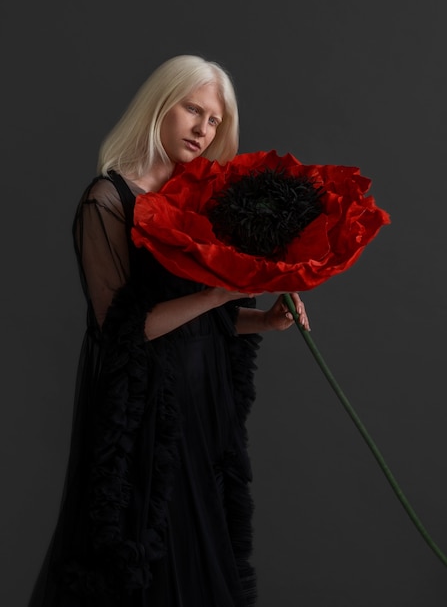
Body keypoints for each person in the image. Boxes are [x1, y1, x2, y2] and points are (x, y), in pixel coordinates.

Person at [28, 54, 309, 607]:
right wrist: (222, 292)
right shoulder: (108, 200)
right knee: (150, 564)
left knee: (205, 559)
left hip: (204, 409)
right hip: (147, 415)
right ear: (160, 105)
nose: (204, 130)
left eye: (215, 121)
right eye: (194, 111)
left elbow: (207, 322)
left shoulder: (201, 201)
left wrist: (266, 320)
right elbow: (124, 331)